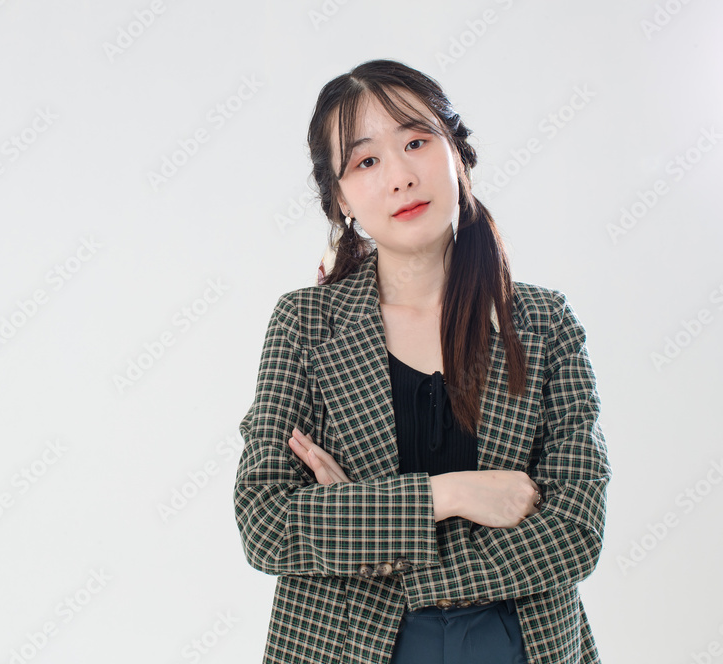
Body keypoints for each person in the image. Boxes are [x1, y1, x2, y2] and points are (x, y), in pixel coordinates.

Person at [233, 58, 611, 664]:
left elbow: (576, 533)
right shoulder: (306, 325)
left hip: (519, 644)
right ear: (340, 201)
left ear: (457, 155)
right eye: (366, 161)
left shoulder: (542, 323)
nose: (401, 176)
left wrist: (366, 523)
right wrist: (449, 494)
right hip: (346, 647)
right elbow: (268, 523)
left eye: (416, 141)